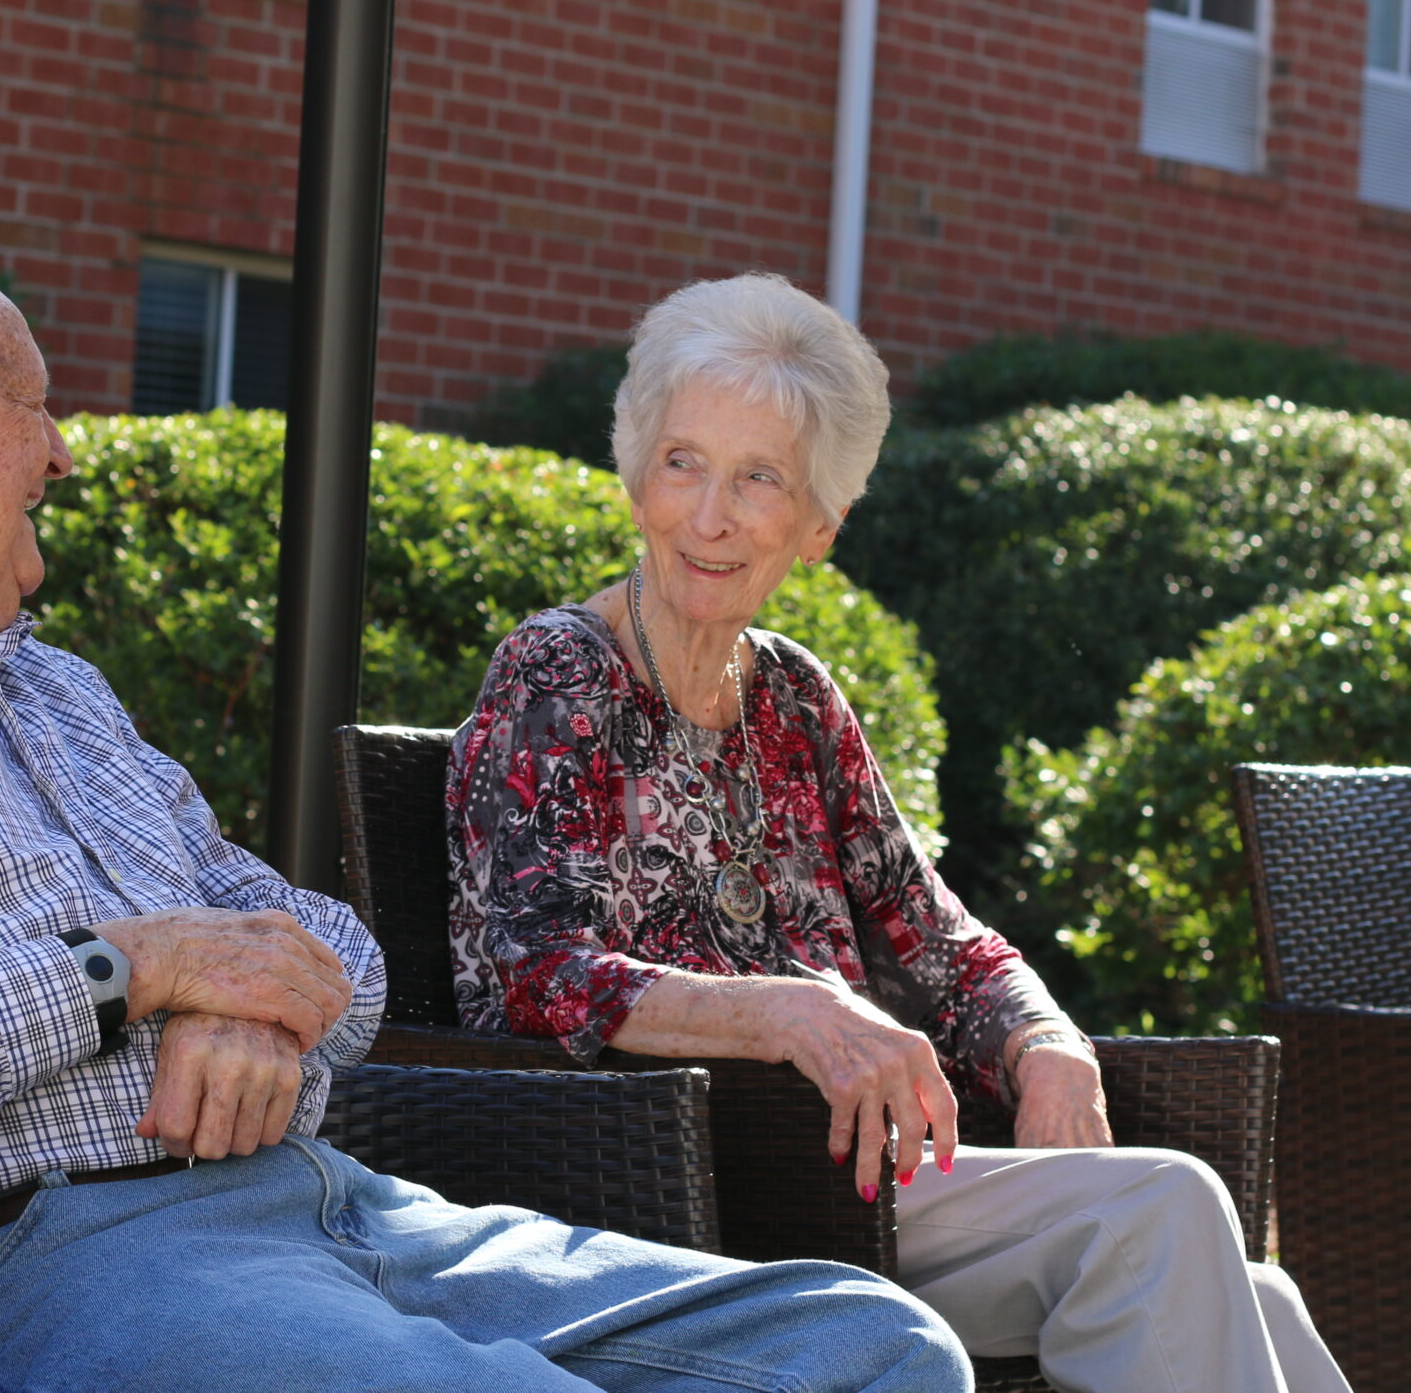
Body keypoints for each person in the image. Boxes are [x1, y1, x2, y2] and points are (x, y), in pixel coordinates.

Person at [0, 260, 971, 1393]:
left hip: (322, 1205)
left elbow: (315, 936)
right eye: (36, 404)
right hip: (23, 1264)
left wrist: (254, 1006)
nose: (65, 447)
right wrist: (131, 973)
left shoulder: (55, 684)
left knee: (867, 1348)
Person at [448, 273, 1354, 1393]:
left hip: (859, 1178)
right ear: (637, 474)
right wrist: (786, 1012)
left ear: (819, 525)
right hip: (702, 1182)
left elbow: (936, 934)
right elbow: (530, 970)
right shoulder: (559, 672)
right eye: (683, 461)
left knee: (1250, 1286)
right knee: (1164, 1209)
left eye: (759, 479)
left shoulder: (794, 698)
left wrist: (1046, 1046)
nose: (710, 514)